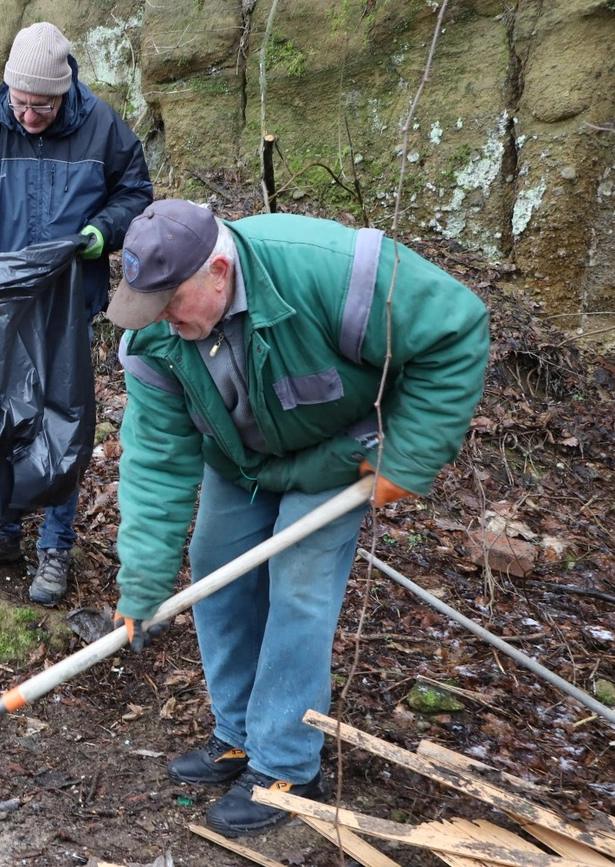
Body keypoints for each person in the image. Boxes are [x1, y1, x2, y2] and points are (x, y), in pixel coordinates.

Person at [107, 200, 489, 836]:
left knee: (298, 587)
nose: (165, 323)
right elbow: (155, 465)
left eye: (173, 303)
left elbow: (457, 330)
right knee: (217, 572)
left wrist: (409, 456)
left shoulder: (330, 272)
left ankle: (285, 765)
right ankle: (237, 733)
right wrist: (143, 585)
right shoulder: (155, 337)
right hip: (242, 461)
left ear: (219, 271)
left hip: (340, 455)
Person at [0, 21, 153, 605]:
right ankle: (4, 532)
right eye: (21, 103)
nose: (30, 115)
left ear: (63, 92)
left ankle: (56, 547)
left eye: (41, 105)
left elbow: (136, 194)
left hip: (67, 301)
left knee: (59, 420)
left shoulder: (104, 129)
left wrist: (101, 234)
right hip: (0, 308)